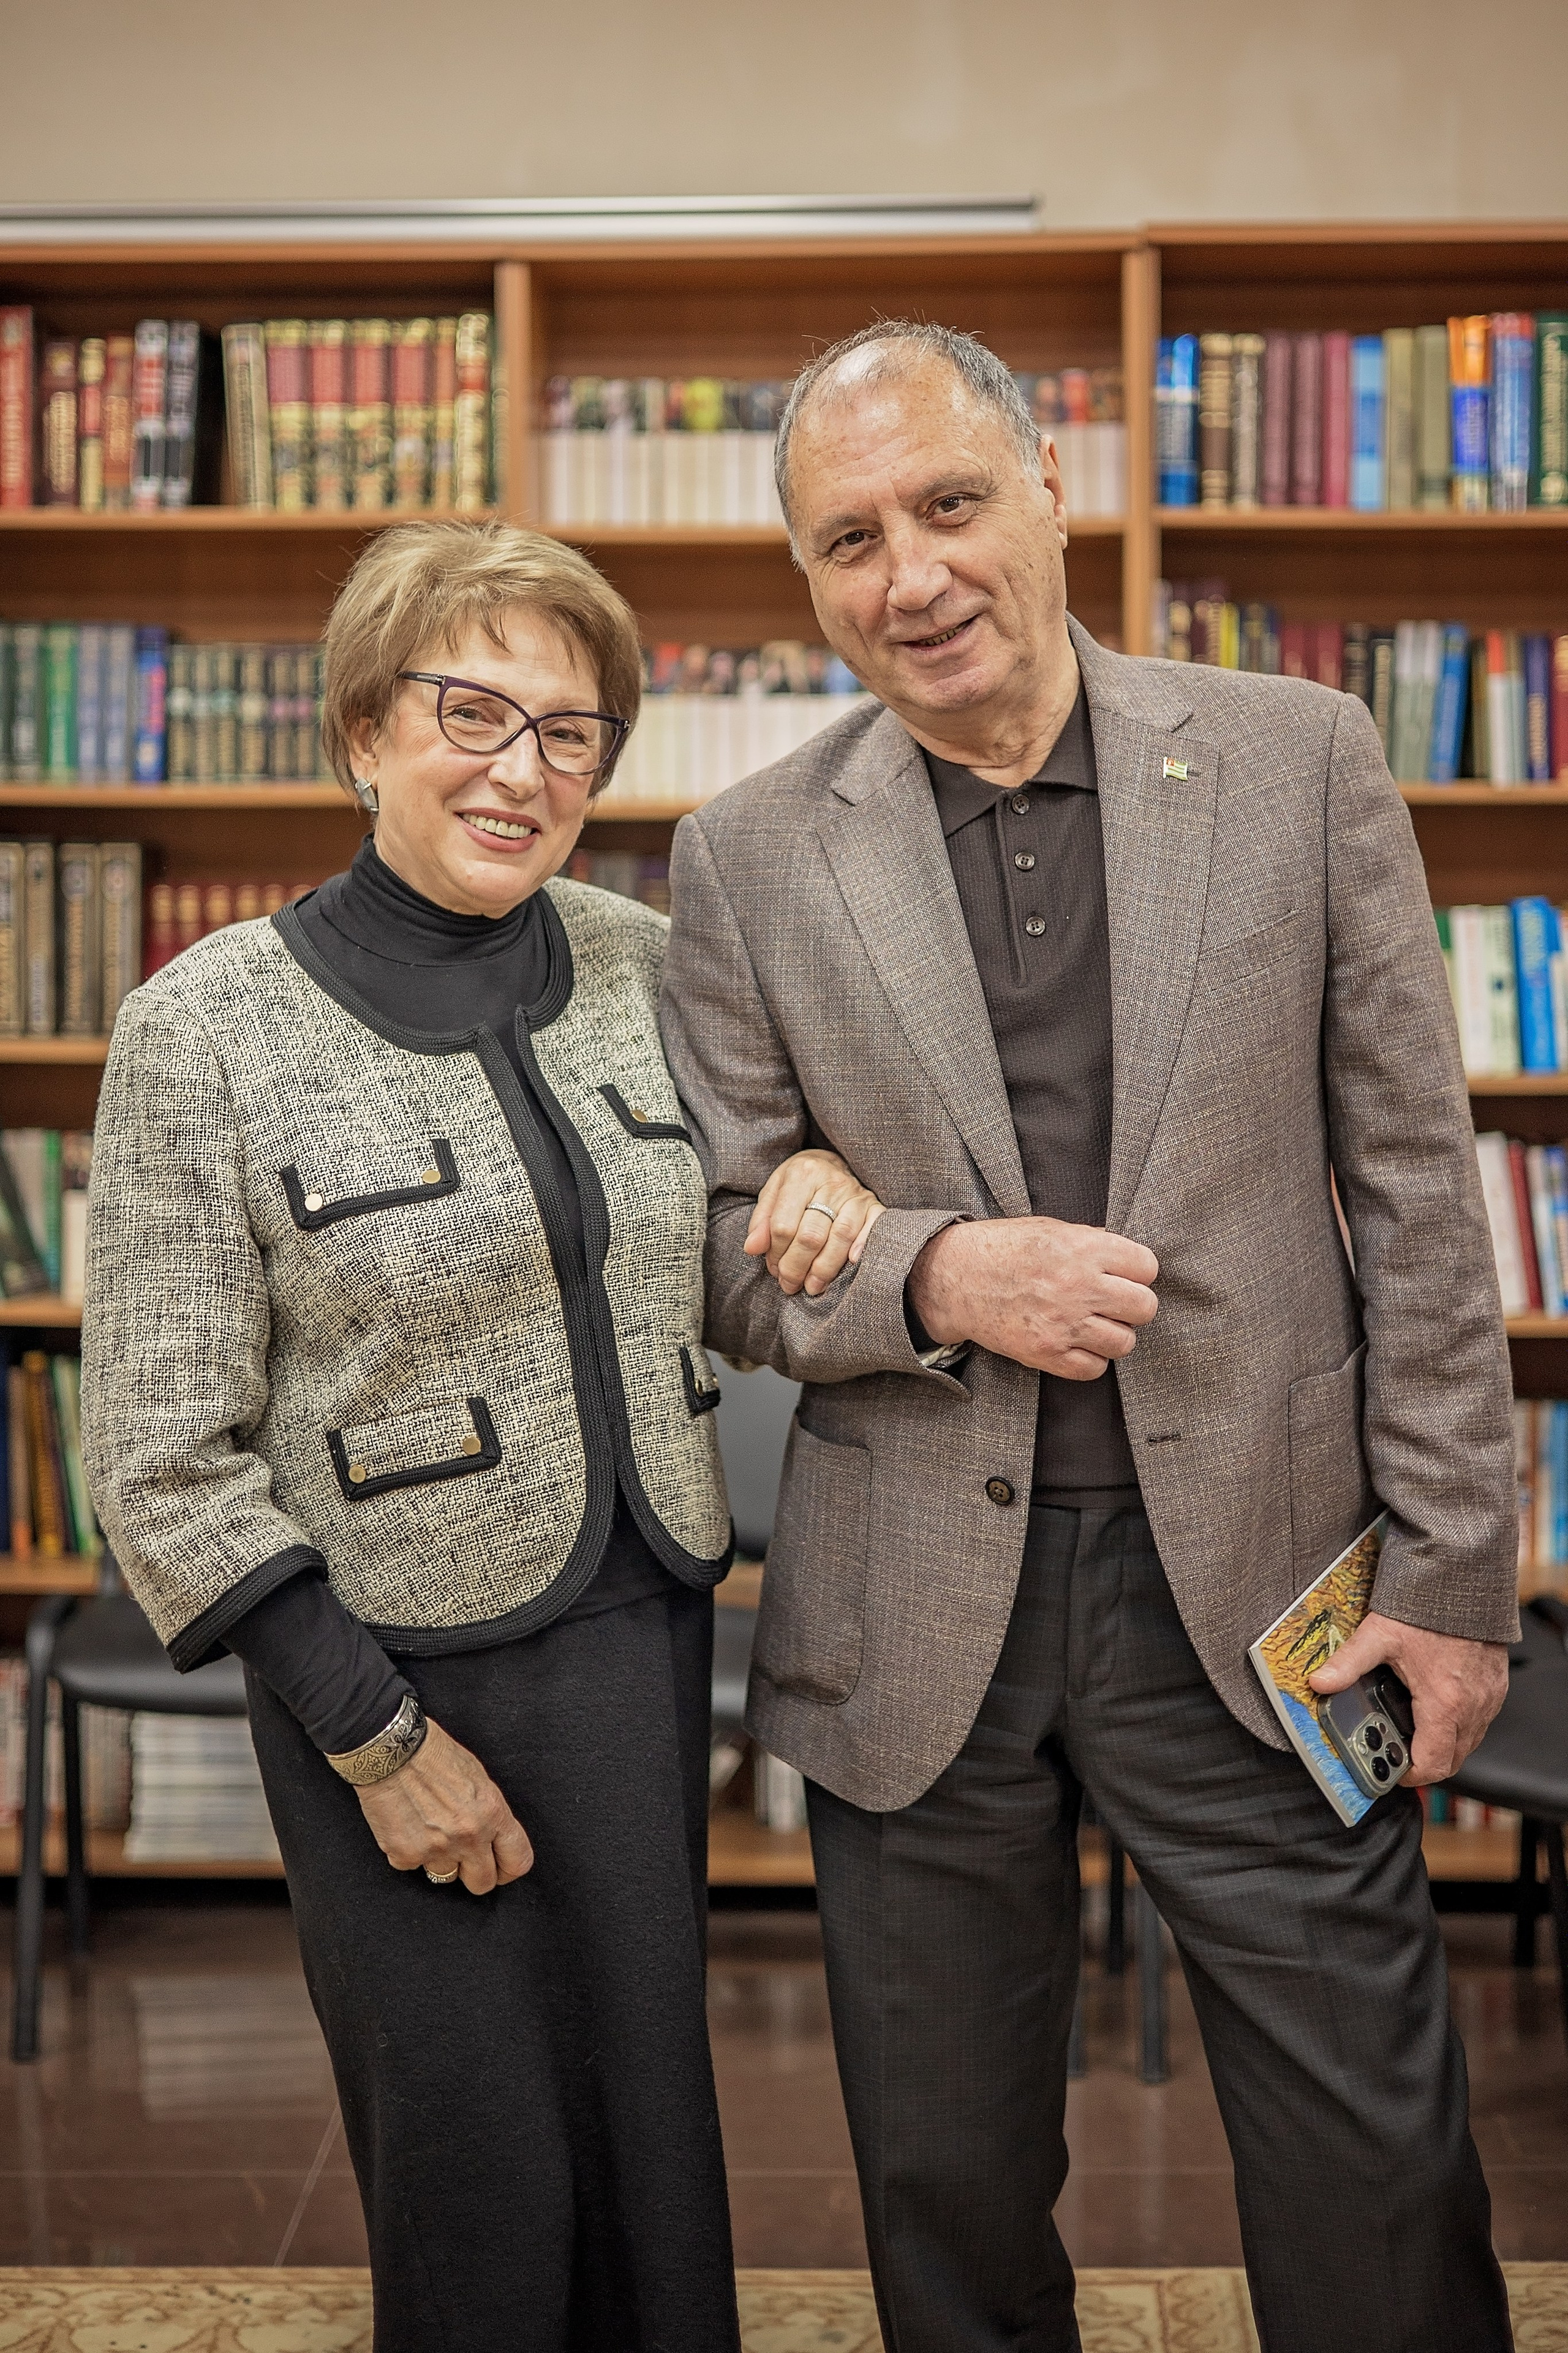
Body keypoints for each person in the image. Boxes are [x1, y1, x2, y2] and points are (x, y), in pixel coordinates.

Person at [660, 323, 1520, 2353]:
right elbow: (708, 1246)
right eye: (849, 539)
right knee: (941, 2181)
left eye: (951, 505)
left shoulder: (1301, 755)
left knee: (1374, 2158)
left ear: (1052, 487)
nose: (912, 575)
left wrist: (1460, 1575)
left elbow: (1418, 1188)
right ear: (809, 576)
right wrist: (939, 1275)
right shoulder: (748, 854)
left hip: (1268, 1575)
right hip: (907, 1600)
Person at [79, 518, 881, 2353]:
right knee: (475, 2169)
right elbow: (156, 1452)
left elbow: (760, 1170)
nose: (523, 772)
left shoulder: (642, 957)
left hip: (634, 1637)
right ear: (366, 725)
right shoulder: (200, 1028)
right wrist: (377, 1739)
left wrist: (820, 1164)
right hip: (385, 1674)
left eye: (571, 733)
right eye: (473, 712)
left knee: (650, 2144)